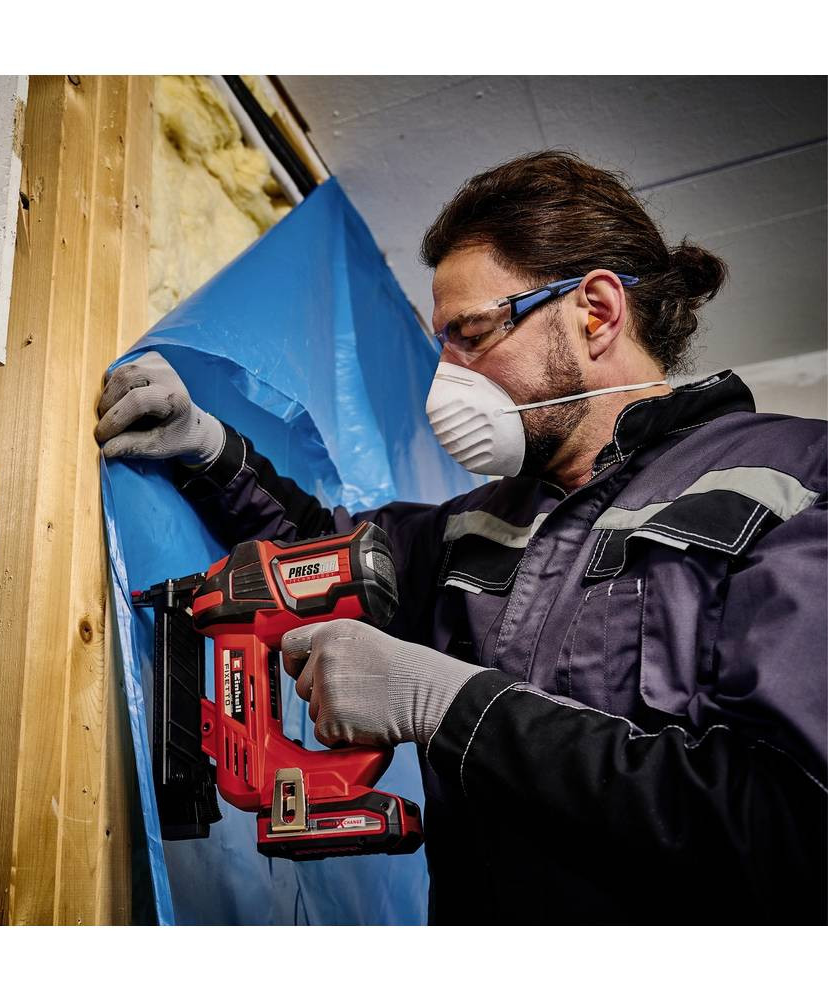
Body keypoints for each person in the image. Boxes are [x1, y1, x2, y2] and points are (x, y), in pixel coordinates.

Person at [95, 151, 827, 924]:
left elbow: (791, 829)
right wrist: (210, 449)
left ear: (596, 312)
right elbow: (322, 556)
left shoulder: (796, 478)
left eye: (471, 333)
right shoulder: (480, 522)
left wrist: (447, 703)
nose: (446, 378)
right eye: (443, 341)